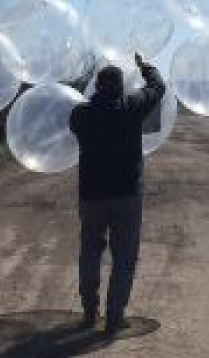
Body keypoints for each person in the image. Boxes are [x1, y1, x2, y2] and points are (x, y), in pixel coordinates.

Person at [68, 52, 166, 335]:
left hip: (91, 196)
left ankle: (89, 311)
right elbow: (158, 88)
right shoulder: (131, 107)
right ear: (121, 87)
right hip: (126, 196)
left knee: (89, 251)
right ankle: (114, 316)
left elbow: (75, 124)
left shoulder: (80, 115)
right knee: (124, 256)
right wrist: (145, 65)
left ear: (97, 87)